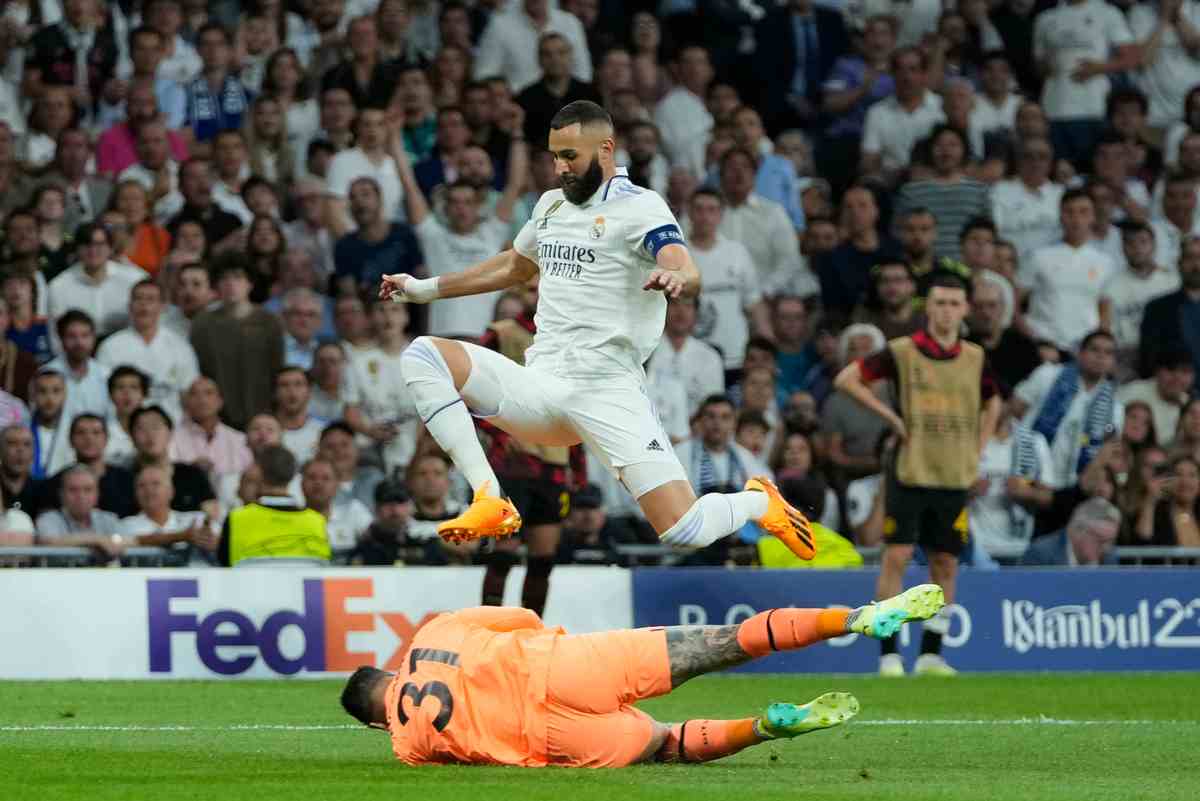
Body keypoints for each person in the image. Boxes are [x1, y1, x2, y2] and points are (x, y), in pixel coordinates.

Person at [383, 101, 814, 559]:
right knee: (423, 354)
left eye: (569, 155)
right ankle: (489, 498)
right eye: (553, 156)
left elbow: (684, 266)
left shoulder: (641, 207)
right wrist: (423, 290)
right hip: (541, 388)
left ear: (606, 149)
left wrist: (676, 278)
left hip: (608, 391)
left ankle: (758, 501)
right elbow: (514, 265)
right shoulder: (550, 206)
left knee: (683, 530)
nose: (559, 167)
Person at [338, 583, 945, 767]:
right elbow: (522, 616)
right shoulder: (434, 630)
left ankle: (764, 727)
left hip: (546, 740)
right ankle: (860, 617)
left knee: (666, 745)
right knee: (720, 643)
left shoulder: (406, 745)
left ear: (375, 721)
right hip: (562, 667)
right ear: (391, 667)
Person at [834, 272, 1001, 676]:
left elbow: (993, 402)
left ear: (964, 309)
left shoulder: (975, 357)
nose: (946, 311)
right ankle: (889, 654)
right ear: (928, 308)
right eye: (939, 303)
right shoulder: (902, 351)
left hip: (954, 475)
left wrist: (978, 447)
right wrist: (891, 417)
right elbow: (846, 379)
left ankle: (931, 654)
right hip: (911, 469)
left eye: (954, 304)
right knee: (898, 556)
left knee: (946, 563)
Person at [1012, 330, 1123, 490]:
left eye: (1108, 353)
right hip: (1027, 472)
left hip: (1073, 488)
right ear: (1080, 353)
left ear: (1113, 362)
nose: (1101, 356)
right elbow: (1015, 410)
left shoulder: (1115, 408)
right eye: (1094, 349)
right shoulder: (1048, 375)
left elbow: (1105, 453)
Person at [96, 279, 199, 422]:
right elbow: (103, 394)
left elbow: (189, 392)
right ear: (129, 305)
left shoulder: (180, 346)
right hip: (124, 427)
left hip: (173, 427)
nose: (143, 304)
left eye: (150, 299)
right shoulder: (110, 346)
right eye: (138, 299)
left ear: (163, 306)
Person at [216, 445, 329, 566]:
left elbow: (224, 569)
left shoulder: (236, 519)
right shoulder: (317, 521)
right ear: (292, 475)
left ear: (260, 473)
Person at [1020, 496, 1121, 566]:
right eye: (1101, 540)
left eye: (1111, 541)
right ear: (1078, 530)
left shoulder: (1109, 558)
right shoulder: (1040, 554)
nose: (1107, 548)